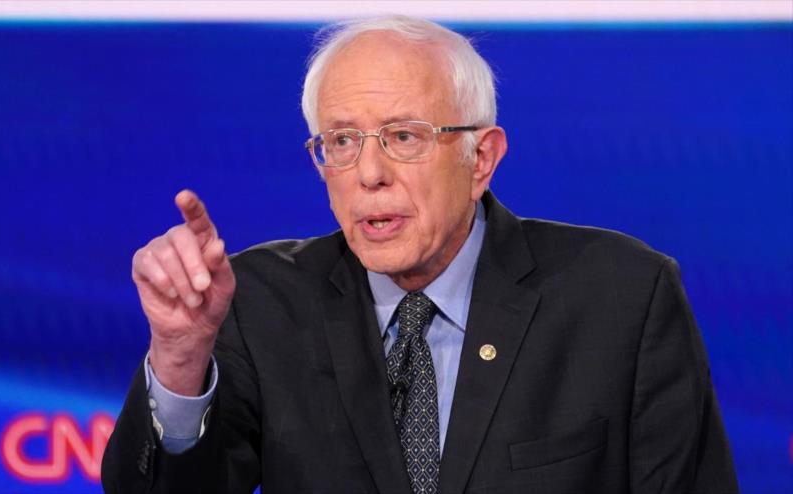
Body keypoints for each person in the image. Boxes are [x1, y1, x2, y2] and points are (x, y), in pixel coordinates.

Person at [101, 15, 738, 494]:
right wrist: (181, 359)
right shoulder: (260, 303)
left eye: (404, 136)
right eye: (341, 141)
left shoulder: (622, 297)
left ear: (481, 158)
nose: (367, 172)